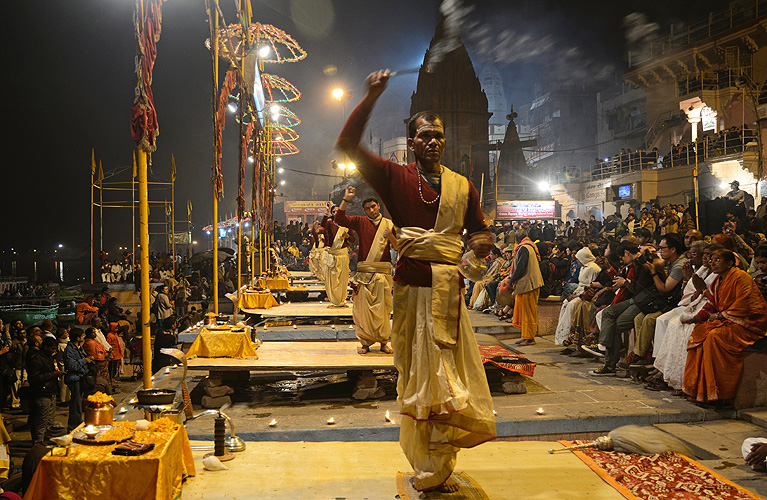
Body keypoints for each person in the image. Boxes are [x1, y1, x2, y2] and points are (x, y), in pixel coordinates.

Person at [336, 70, 496, 493]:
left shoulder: (463, 186)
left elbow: (480, 229)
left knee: (450, 382)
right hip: (410, 296)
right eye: (425, 135)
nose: (434, 142)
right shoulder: (394, 177)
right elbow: (347, 144)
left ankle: (440, 464)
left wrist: (480, 243)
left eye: (439, 135)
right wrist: (371, 95)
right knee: (418, 381)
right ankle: (425, 464)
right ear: (412, 142)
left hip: (450, 298)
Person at [682, 249, 767, 405]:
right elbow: (712, 303)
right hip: (729, 321)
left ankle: (721, 395)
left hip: (747, 324)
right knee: (699, 332)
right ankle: (699, 391)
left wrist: (720, 316)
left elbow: (746, 305)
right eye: (712, 259)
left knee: (714, 337)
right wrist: (697, 317)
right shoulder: (717, 281)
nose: (713, 262)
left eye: (718, 259)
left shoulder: (741, 277)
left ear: (729, 263)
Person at [334, 185, 395, 354]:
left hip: (382, 273)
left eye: (373, 207)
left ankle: (383, 342)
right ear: (365, 211)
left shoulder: (389, 225)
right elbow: (340, 219)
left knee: (383, 311)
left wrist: (389, 236)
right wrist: (346, 199)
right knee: (363, 310)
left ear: (378, 207)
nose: (371, 210)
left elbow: (398, 247)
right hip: (364, 275)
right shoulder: (361, 222)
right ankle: (365, 343)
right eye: (367, 209)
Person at [507, 229, 544, 346]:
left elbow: (520, 268)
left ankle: (530, 338)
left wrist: (511, 281)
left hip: (529, 284)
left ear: (517, 239)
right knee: (524, 311)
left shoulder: (524, 248)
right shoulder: (528, 246)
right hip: (527, 284)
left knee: (528, 311)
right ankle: (525, 336)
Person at [27, 337, 63, 444]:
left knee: (49, 421)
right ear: (46, 347)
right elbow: (35, 377)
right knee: (41, 421)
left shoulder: (48, 357)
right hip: (42, 393)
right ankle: (38, 445)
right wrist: (53, 374)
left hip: (50, 391)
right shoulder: (37, 358)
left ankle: (45, 441)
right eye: (52, 348)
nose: (54, 351)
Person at [321, 202, 353, 307]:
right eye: (334, 211)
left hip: (343, 254)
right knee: (332, 279)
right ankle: (334, 300)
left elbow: (353, 240)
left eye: (338, 211)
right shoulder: (330, 223)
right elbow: (322, 225)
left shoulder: (347, 224)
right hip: (332, 254)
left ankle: (341, 299)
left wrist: (347, 236)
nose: (336, 213)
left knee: (343, 278)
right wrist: (326, 211)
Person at [63, 328, 93, 432]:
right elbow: (72, 366)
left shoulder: (79, 348)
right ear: (77, 338)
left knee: (78, 402)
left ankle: (78, 423)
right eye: (82, 335)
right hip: (74, 379)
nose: (84, 337)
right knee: (75, 404)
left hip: (80, 378)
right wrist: (84, 360)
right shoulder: (69, 350)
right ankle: (73, 426)